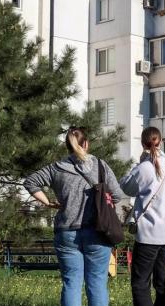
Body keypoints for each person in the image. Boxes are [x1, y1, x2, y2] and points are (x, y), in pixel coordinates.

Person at [23, 127, 124, 306]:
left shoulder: (56, 168)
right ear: (86, 143)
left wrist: (48, 202)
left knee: (71, 283)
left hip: (66, 232)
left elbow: (30, 182)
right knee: (97, 283)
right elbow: (116, 195)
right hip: (97, 232)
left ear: (68, 146)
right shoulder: (100, 165)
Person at [120, 127, 165, 306]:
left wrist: (138, 164)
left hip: (148, 235)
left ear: (143, 144)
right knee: (163, 283)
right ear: (160, 141)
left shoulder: (144, 168)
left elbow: (126, 187)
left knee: (140, 283)